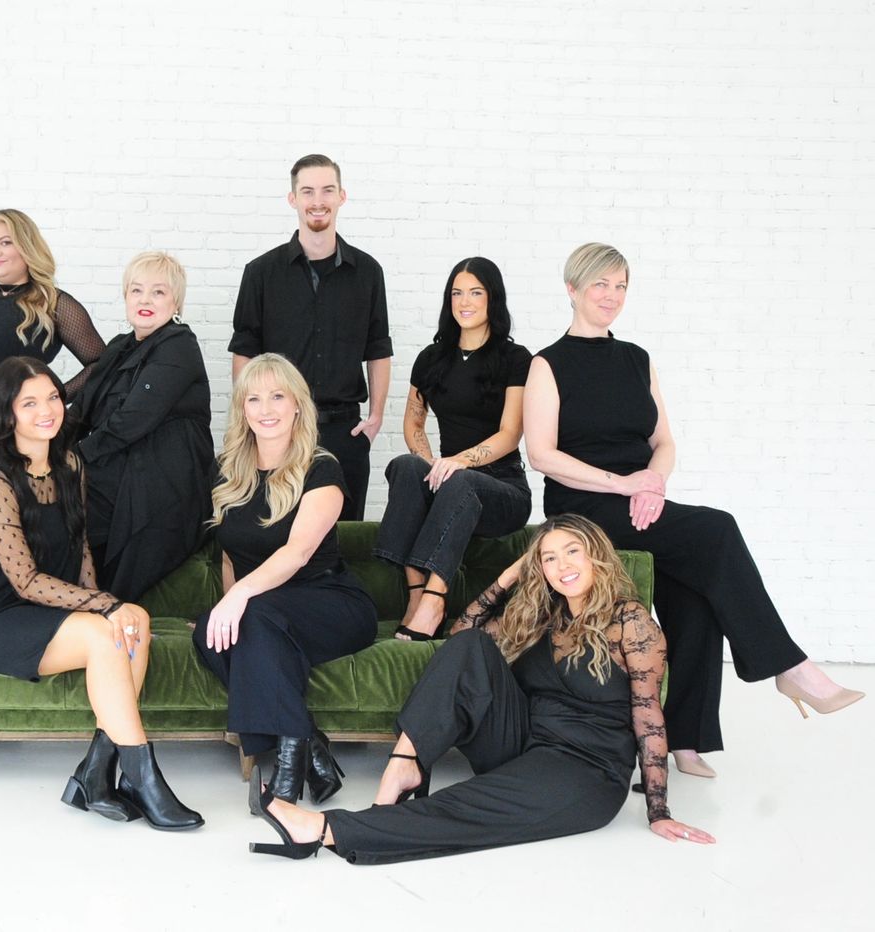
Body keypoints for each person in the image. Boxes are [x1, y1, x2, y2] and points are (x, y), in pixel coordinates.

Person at [522, 242, 863, 778]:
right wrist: (624, 483)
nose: (612, 295)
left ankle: (685, 740)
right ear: (572, 288)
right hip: (585, 505)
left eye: (621, 286)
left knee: (696, 594)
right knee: (717, 528)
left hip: (639, 499)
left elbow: (664, 442)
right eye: (600, 284)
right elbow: (542, 455)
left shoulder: (637, 359)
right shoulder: (547, 364)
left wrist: (653, 484)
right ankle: (788, 666)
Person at [247, 515, 716, 862]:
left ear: (596, 555)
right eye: (549, 557)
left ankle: (323, 830)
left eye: (573, 551)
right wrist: (510, 576)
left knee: (470, 807)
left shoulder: (630, 621)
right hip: (523, 741)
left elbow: (649, 716)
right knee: (473, 646)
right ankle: (405, 765)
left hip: (585, 768)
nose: (562, 566)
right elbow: (461, 638)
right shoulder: (544, 615)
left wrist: (658, 811)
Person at [0, 356, 202, 831]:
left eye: (51, 397)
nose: (46, 409)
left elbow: (80, 546)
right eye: (29, 403)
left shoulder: (69, 464)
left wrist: (106, 606)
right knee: (108, 630)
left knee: (135, 620)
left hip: (53, 609)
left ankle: (94, 774)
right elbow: (25, 581)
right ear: (7, 413)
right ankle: (142, 778)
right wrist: (104, 605)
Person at [193, 353, 378, 807]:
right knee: (210, 632)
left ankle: (286, 773)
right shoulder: (227, 471)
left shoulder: (322, 468)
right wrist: (228, 606)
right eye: (254, 398)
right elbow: (229, 556)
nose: (266, 409)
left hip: (331, 602)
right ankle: (308, 744)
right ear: (242, 409)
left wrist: (238, 599)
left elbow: (296, 554)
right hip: (266, 610)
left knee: (251, 617)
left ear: (297, 404)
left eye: (277, 396)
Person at [374, 257, 533, 640]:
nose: (465, 301)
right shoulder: (431, 359)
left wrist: (458, 462)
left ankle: (435, 600)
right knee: (406, 466)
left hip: (503, 488)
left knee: (460, 480)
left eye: (475, 292)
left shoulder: (515, 359)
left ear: (492, 298)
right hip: (451, 482)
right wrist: (431, 465)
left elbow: (510, 433)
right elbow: (414, 423)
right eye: (457, 293)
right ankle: (415, 593)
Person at [229, 154, 392, 520]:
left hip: (344, 433)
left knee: (344, 536)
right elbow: (245, 351)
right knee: (276, 528)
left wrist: (376, 417)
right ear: (293, 199)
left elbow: (378, 348)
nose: (318, 201)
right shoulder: (261, 273)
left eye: (327, 190)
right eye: (307, 191)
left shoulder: (368, 272)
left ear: (341, 196)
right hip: (279, 432)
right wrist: (249, 420)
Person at [0, 208, 105, 517]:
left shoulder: (52, 304)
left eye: (5, 242)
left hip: (16, 441)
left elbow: (100, 364)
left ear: (26, 246)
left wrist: (52, 398)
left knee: (8, 540)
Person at [73, 251, 213, 601]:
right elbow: (81, 411)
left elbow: (133, 419)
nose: (145, 300)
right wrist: (40, 452)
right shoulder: (118, 347)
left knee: (64, 501)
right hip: (121, 469)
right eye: (136, 290)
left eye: (158, 292)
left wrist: (73, 458)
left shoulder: (179, 345)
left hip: (161, 483)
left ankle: (88, 601)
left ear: (176, 301)